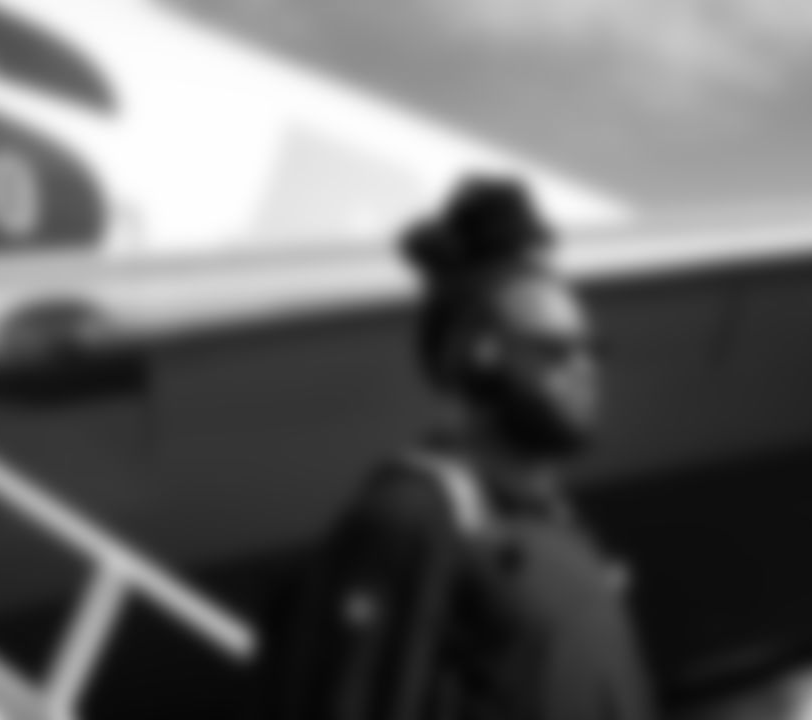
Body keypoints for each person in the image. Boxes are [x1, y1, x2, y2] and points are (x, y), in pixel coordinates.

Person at [254, 175, 657, 720]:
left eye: (593, 349)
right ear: (479, 356)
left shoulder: (559, 526)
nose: (584, 368)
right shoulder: (412, 518)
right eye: (556, 349)